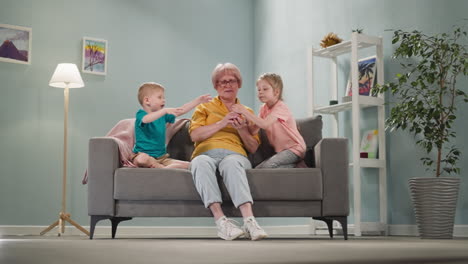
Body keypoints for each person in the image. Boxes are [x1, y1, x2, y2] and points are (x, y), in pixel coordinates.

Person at [189, 63, 268, 241]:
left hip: (235, 154)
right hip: (206, 153)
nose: (227, 85)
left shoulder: (247, 112)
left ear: (238, 84)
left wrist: (241, 130)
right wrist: (223, 122)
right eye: (222, 82)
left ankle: (249, 221)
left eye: (232, 81)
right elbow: (195, 135)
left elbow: (253, 148)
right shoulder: (204, 108)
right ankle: (222, 223)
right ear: (216, 86)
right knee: (199, 163)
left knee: (231, 163)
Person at [232, 73, 306, 168]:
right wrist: (246, 122)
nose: (260, 92)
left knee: (267, 167)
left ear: (276, 92)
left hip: (294, 149)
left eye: (265, 89)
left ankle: (296, 166)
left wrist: (245, 111)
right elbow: (254, 131)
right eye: (259, 90)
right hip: (280, 152)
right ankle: (296, 165)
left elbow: (264, 124)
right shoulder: (263, 108)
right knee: (257, 169)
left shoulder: (281, 107)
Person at [133, 82, 211, 169]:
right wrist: (164, 111)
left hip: (161, 158)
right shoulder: (141, 114)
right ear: (147, 100)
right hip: (143, 155)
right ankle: (161, 167)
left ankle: (161, 167)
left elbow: (181, 110)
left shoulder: (163, 116)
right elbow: (146, 119)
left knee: (190, 165)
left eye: (164, 98)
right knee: (141, 159)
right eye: (159, 97)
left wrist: (198, 101)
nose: (163, 100)